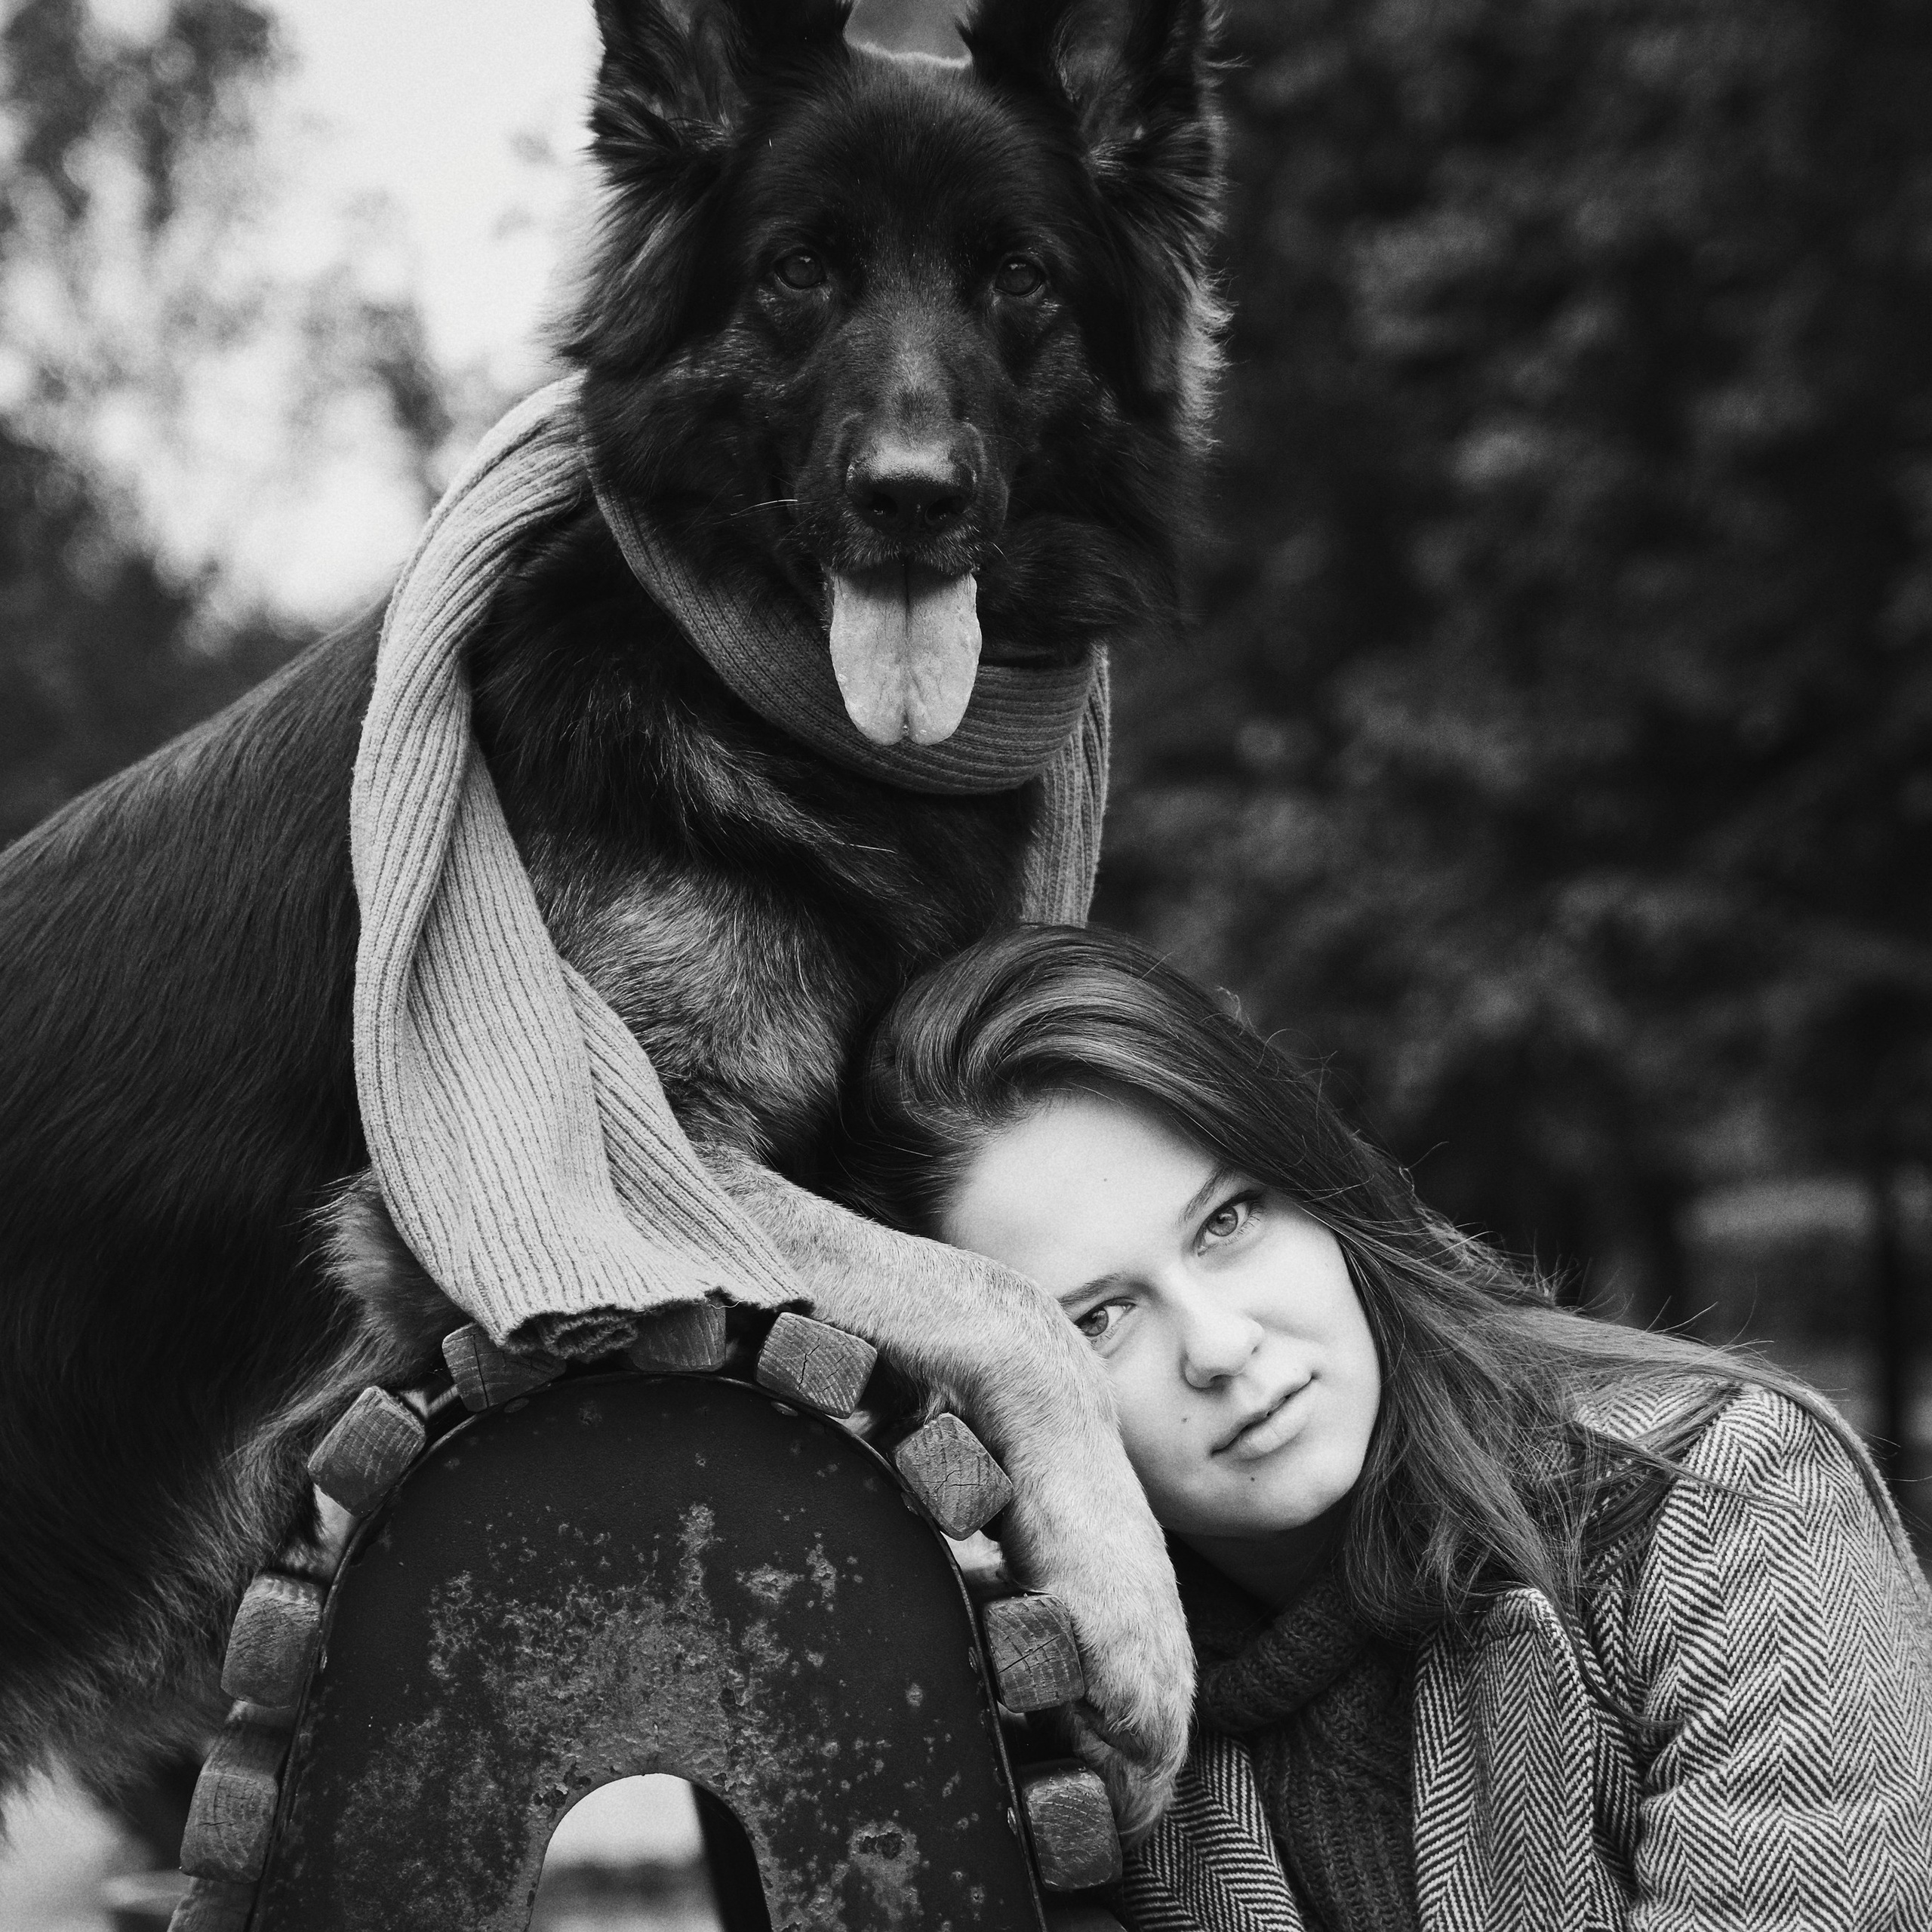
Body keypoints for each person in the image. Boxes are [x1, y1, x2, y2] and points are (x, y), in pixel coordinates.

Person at [833, 924, 1932, 1932]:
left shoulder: (1722, 1496)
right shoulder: (1072, 1713)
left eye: (1228, 1222)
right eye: (1099, 1319)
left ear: (1325, 1193)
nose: (1220, 1345)